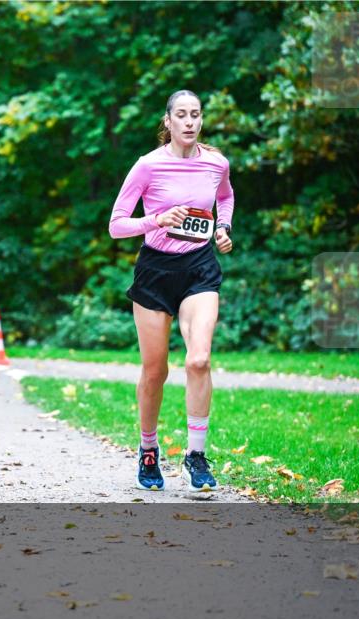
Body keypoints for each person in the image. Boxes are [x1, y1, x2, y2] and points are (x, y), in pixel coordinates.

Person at [108, 90, 235, 493]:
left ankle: (196, 457)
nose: (189, 122)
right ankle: (148, 450)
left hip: (199, 269)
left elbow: (226, 197)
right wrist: (158, 219)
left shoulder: (216, 163)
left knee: (199, 359)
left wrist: (223, 228)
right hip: (156, 271)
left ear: (201, 120)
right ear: (168, 121)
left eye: (195, 114)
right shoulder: (148, 166)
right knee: (155, 370)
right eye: (181, 115)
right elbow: (116, 224)